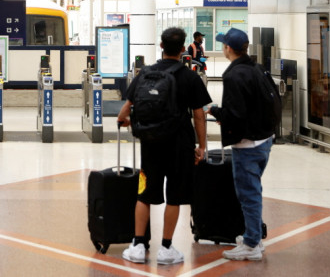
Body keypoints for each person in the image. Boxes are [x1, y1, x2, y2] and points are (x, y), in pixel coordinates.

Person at [117, 27, 210, 265]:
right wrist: (202, 146)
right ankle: (166, 248)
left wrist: (126, 122)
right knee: (175, 197)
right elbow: (199, 115)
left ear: (161, 46)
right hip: (180, 144)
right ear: (182, 50)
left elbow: (124, 111)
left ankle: (138, 245)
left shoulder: (145, 74)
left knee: (145, 193)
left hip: (151, 144)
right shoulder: (190, 77)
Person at [208, 28, 274, 261]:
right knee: (253, 191)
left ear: (228, 48)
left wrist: (215, 111)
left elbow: (235, 114)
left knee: (248, 194)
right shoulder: (257, 68)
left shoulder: (233, 75)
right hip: (265, 139)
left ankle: (251, 244)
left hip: (247, 145)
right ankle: (253, 235)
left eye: (223, 45)